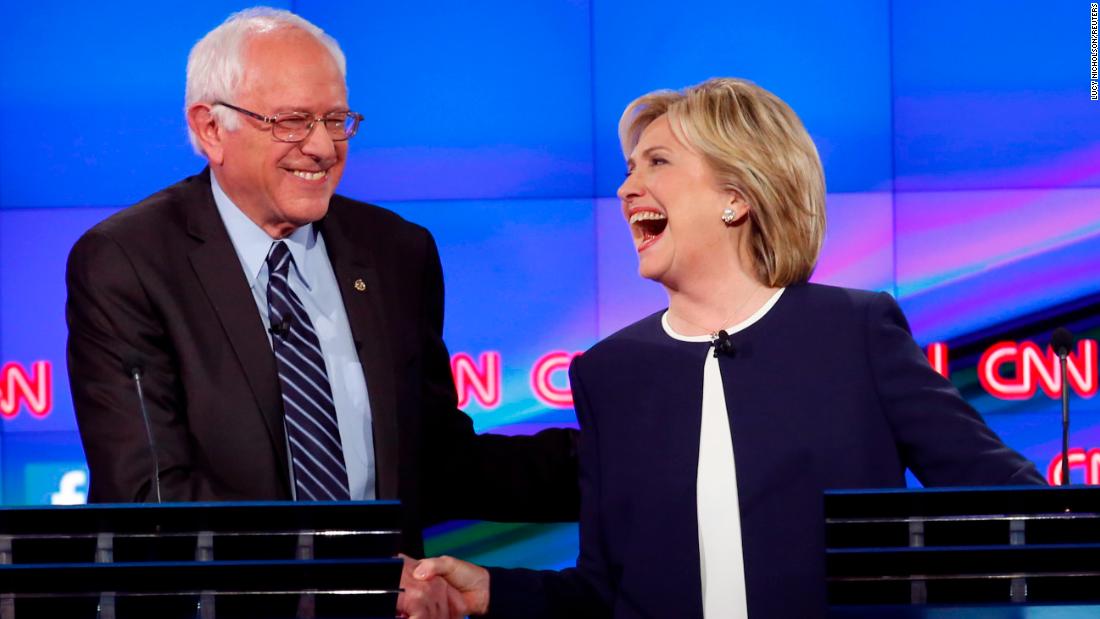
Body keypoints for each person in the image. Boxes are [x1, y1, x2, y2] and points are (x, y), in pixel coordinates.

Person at [412, 78, 1046, 618]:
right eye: (630, 168)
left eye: (656, 162)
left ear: (736, 197)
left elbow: (1014, 508)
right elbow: (606, 591)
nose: (627, 189)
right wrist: (493, 590)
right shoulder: (611, 373)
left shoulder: (855, 333)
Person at [64, 7, 578, 617]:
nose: (322, 146)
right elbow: (149, 500)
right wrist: (350, 572)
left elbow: (436, 462)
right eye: (290, 121)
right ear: (209, 128)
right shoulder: (129, 261)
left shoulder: (395, 252)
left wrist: (627, 463)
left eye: (336, 120)